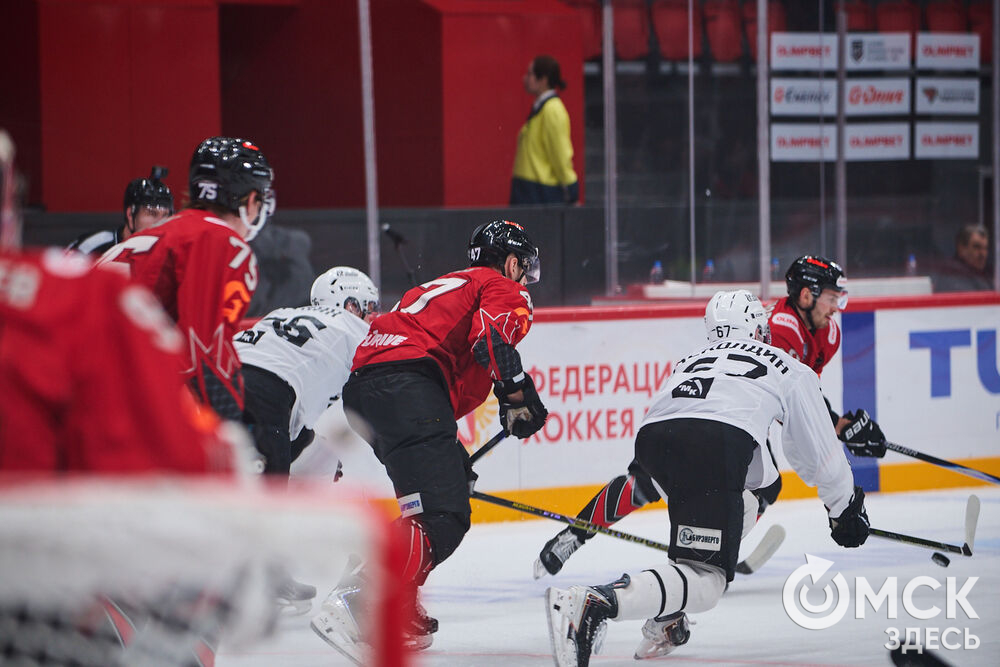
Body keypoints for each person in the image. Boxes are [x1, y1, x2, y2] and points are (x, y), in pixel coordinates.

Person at [545, 290, 869, 665]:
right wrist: (844, 508)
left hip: (654, 444)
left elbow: (748, 470)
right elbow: (818, 453)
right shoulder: (785, 363)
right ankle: (596, 602)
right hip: (714, 444)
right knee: (708, 582)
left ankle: (666, 612)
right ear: (756, 327)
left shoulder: (690, 360)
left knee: (740, 505)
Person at [533, 254, 887, 579]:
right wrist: (837, 426)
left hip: (735, 415)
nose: (836, 306)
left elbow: (805, 397)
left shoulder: (827, 331)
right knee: (646, 482)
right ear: (807, 295)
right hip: (720, 407)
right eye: (831, 297)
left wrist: (837, 424)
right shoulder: (779, 329)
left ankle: (718, 541)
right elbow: (793, 400)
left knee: (764, 484)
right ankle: (575, 535)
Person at [312, 220, 549, 659]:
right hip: (408, 387)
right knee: (444, 516)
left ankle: (397, 601)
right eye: (524, 267)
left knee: (429, 502)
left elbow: (418, 360)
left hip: (366, 391)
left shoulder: (443, 284)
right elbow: (491, 341)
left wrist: (453, 456)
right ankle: (356, 599)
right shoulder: (503, 286)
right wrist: (517, 395)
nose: (525, 278)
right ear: (513, 261)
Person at [99, 136, 274, 422]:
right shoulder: (219, 241)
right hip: (110, 398)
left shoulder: (165, 234)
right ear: (250, 199)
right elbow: (204, 353)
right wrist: (226, 427)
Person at [235, 266, 379, 477]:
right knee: (268, 495)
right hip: (268, 388)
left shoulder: (282, 313)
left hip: (219, 374)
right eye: (370, 307)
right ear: (351, 305)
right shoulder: (353, 328)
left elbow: (301, 427)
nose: (373, 315)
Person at [510, 55, 579, 206]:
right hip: (529, 189)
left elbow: (560, 152)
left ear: (544, 80)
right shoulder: (541, 109)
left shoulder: (552, 110)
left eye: (530, 74)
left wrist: (571, 187)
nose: (525, 79)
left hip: (540, 192)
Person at [67, 166, 174, 255]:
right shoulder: (94, 246)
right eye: (152, 214)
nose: (161, 223)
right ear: (130, 215)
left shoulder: (169, 253)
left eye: (165, 215)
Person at [931, 224, 992, 292]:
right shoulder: (952, 275)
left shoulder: (982, 275)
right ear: (961, 248)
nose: (983, 254)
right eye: (976, 247)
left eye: (985, 248)